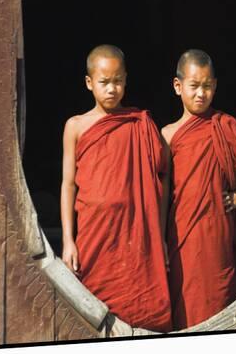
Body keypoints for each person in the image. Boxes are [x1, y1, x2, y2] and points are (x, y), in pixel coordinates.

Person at [60, 44, 172, 332]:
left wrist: (159, 234)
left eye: (118, 81)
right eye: (104, 82)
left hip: (135, 236)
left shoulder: (139, 123)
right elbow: (68, 184)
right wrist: (68, 240)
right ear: (89, 83)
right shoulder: (76, 126)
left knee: (141, 312)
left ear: (126, 80)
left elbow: (163, 171)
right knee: (90, 314)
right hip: (94, 236)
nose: (112, 89)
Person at [162, 49, 236, 330]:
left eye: (207, 87)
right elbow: (161, 194)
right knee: (186, 301)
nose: (200, 94)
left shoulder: (225, 125)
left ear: (215, 86)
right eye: (194, 86)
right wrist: (159, 238)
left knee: (221, 302)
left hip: (219, 233)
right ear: (177, 86)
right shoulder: (168, 135)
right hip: (182, 232)